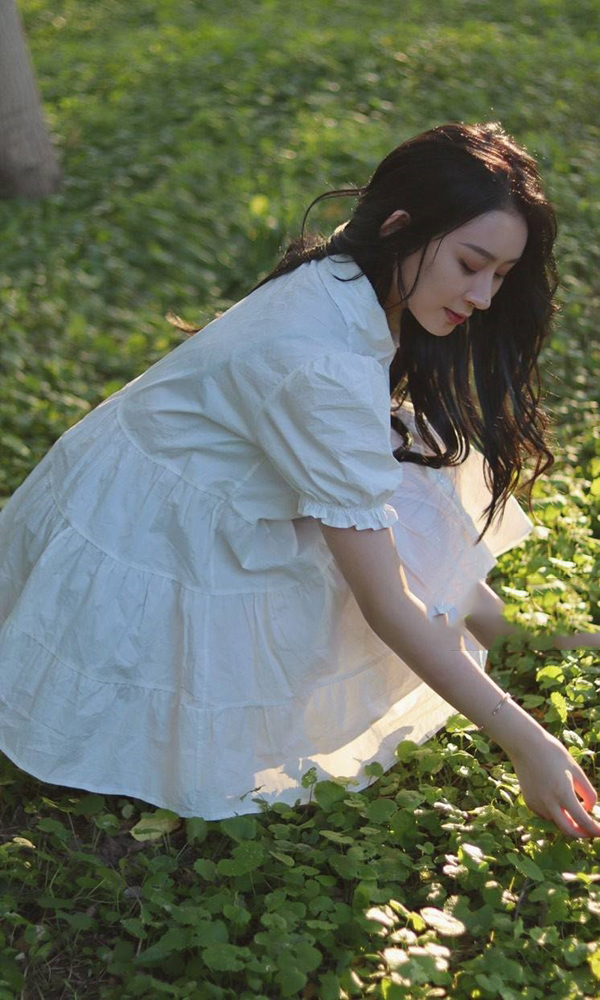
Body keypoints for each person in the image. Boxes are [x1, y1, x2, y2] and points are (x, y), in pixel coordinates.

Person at [0, 122, 598, 836]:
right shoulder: (319, 364)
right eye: (471, 264)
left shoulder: (353, 274)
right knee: (362, 545)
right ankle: (504, 637)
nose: (485, 296)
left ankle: (505, 631)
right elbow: (387, 604)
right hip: (143, 532)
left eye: (500, 275)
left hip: (159, 479)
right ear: (400, 226)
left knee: (396, 476)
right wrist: (529, 744)